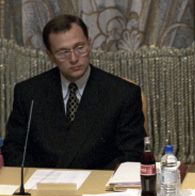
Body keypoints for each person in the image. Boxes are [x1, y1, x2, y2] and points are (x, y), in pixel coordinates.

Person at [3, 14, 145, 169]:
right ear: (50, 55)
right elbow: (14, 149)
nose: (74, 58)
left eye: (80, 47)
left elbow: (131, 154)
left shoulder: (122, 94)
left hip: (100, 182)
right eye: (63, 52)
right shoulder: (28, 93)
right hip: (41, 181)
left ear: (89, 44)